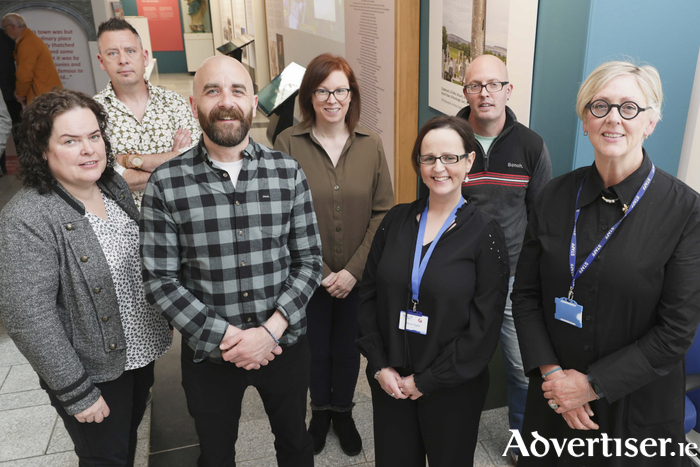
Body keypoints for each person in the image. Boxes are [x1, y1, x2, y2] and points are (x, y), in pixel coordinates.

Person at [512, 60, 700, 466]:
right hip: (556, 399)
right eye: (600, 106)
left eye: (629, 107)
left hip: (636, 408)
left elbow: (677, 330)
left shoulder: (685, 210)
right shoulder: (553, 196)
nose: (613, 118)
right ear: (585, 119)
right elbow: (526, 295)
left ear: (650, 122)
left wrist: (592, 385)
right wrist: (553, 378)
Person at [140, 55, 323, 467]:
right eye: (212, 90)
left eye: (237, 90)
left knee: (295, 443)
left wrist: (270, 331)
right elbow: (160, 279)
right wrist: (228, 338)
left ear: (254, 102)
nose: (226, 101)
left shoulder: (287, 172)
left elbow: (310, 260)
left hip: (284, 346)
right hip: (209, 355)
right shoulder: (166, 183)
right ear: (194, 105)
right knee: (216, 452)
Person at [0, 89, 171, 466]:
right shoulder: (27, 217)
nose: (89, 149)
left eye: (94, 136)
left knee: (125, 445)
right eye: (70, 141)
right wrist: (77, 392)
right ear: (42, 150)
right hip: (92, 370)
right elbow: (27, 317)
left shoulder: (112, 186)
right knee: (104, 458)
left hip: (137, 354)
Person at [357, 116, 509, 467]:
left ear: (469, 161)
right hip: (390, 384)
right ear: (419, 164)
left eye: (450, 158)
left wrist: (426, 381)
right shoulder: (394, 221)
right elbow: (367, 299)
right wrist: (380, 366)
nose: (438, 168)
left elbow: (484, 329)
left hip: (452, 390)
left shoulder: (486, 234)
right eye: (428, 158)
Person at [274, 53, 394, 456]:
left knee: (348, 349)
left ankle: (342, 410)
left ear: (351, 94)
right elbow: (281, 214)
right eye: (322, 90)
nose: (331, 99)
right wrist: (322, 270)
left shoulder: (371, 144)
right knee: (314, 350)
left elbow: (383, 210)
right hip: (306, 276)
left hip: (358, 278)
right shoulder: (287, 143)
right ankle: (319, 412)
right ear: (309, 96)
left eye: (340, 90)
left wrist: (353, 270)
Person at [456, 54, 552, 464]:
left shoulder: (531, 145)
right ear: (466, 92)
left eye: (494, 84)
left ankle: (521, 443)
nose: (485, 93)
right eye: (476, 85)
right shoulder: (449, 138)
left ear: (508, 90)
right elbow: (430, 208)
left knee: (520, 369)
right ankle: (452, 438)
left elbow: (543, 217)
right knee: (456, 365)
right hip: (460, 278)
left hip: (513, 281)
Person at [94, 18, 201, 209]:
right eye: (112, 53)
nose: (123, 60)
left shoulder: (174, 103)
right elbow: (108, 177)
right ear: (101, 61)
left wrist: (129, 160)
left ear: (144, 57)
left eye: (130, 51)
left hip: (178, 213)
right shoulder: (93, 112)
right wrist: (173, 159)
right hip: (124, 222)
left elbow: (194, 160)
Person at [0, 13, 62, 105]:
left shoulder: (26, 44)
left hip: (41, 96)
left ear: (12, 26)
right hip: (47, 93)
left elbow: (24, 75)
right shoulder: (30, 39)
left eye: (5, 28)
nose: (5, 32)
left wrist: (20, 94)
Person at [0, 25, 21, 176]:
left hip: (8, 91)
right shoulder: (7, 39)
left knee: (16, 127)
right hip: (9, 90)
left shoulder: (7, 39)